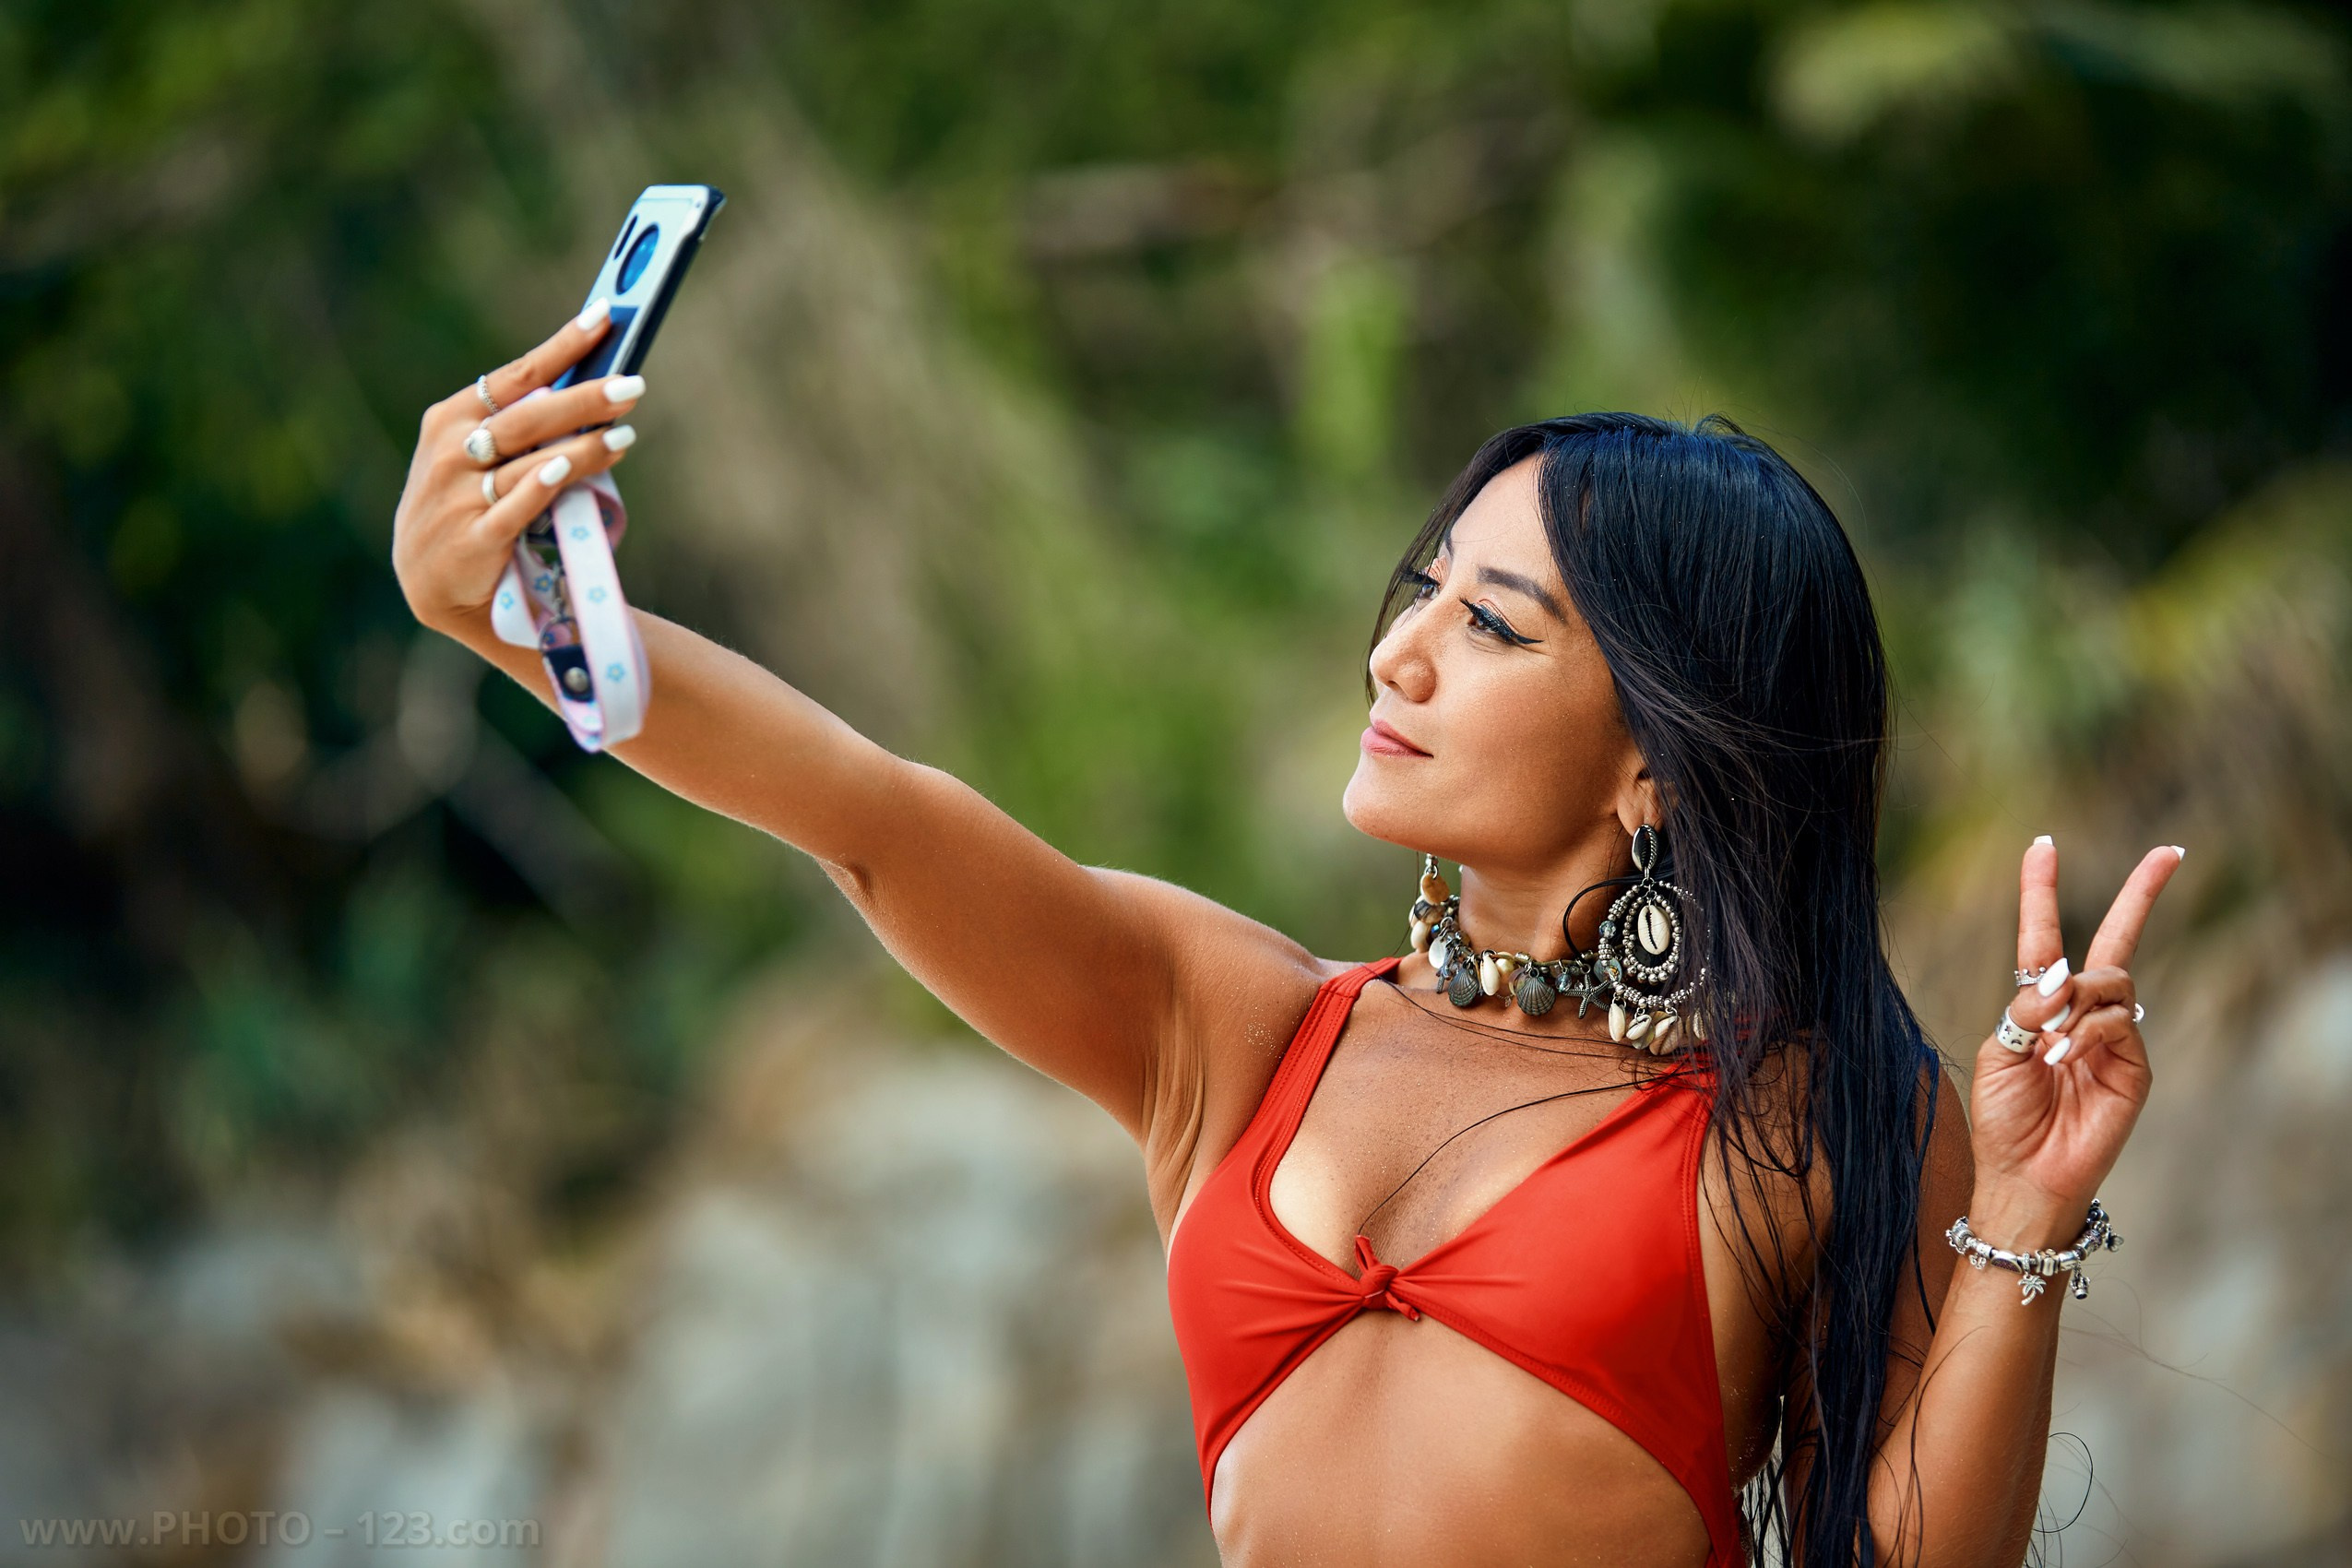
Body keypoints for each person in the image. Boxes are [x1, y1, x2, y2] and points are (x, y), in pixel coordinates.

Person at [392, 307, 2182, 1568]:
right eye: (1423, 590)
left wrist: (2024, 1221)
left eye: (1491, 626)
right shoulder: (1235, 1026)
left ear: (1660, 756)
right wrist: (514, 618)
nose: (1396, 653)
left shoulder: (1799, 1113)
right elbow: (871, 820)